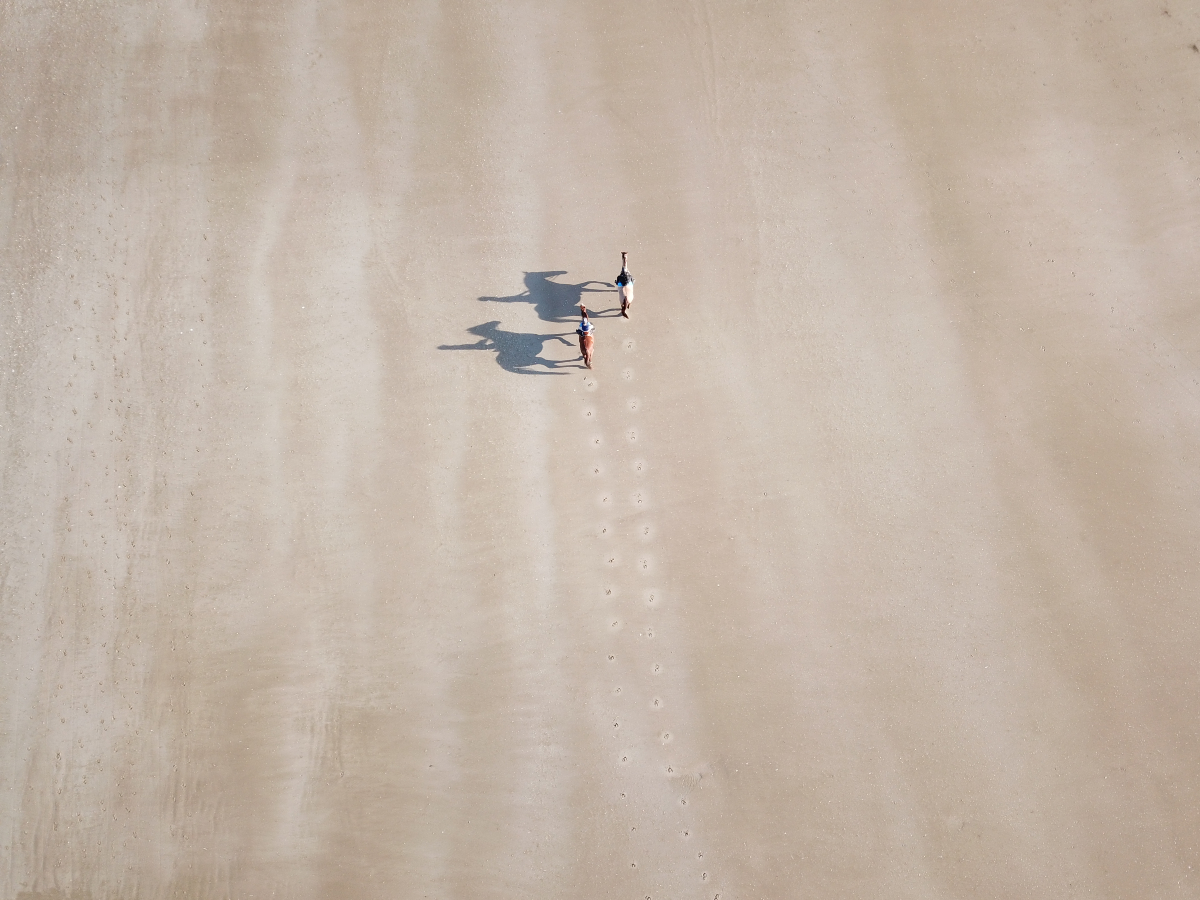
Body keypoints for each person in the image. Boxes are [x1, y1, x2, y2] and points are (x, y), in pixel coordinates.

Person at [616, 251, 634, 318]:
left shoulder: (623, 300)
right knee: (625, 269)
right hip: (623, 281)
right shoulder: (627, 299)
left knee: (624, 269)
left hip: (627, 282)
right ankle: (625, 257)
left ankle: (624, 257)